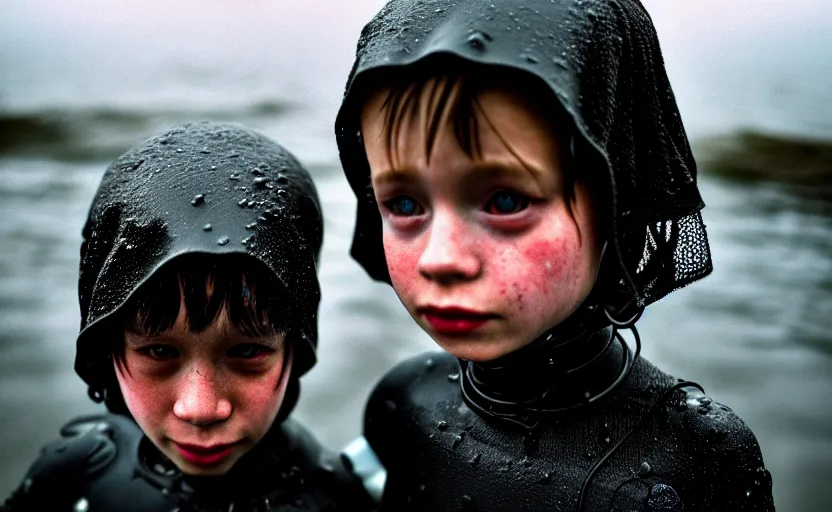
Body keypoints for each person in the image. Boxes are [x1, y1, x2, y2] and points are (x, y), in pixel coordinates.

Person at [334, 0, 776, 510]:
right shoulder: (404, 403)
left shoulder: (695, 460)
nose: (441, 259)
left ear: (618, 202)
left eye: (506, 201)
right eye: (404, 204)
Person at [2, 122, 374, 511]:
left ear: (297, 345)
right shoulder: (73, 474)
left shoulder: (335, 502)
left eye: (247, 351)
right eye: (160, 351)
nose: (200, 409)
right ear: (105, 344)